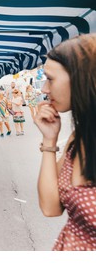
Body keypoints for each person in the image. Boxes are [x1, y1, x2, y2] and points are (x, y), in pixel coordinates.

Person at [34, 33, 96, 251]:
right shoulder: (79, 137)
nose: (44, 89)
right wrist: (49, 140)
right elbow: (51, 207)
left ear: (82, 79)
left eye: (50, 79)